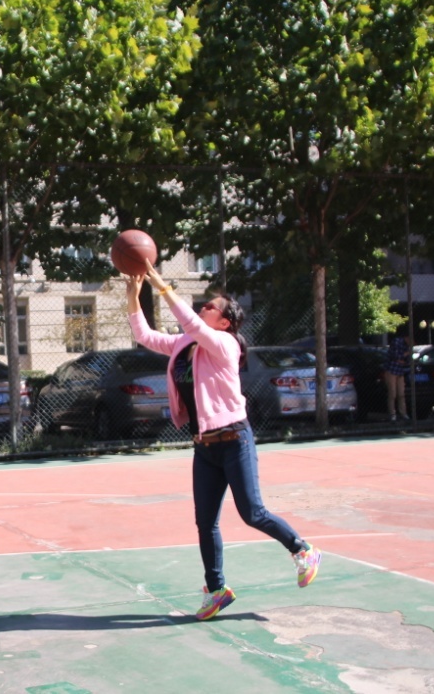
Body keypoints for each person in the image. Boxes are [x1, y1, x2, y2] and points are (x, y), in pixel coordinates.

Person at [126, 261, 321, 621]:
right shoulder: (185, 344)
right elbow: (146, 336)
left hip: (234, 440)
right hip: (204, 446)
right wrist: (133, 294)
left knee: (253, 513)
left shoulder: (225, 344)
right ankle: (216, 590)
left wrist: (161, 284)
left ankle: (302, 549)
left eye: (211, 307)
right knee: (205, 522)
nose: (204, 307)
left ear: (225, 322)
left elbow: (193, 324)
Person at [384, 329, 411, 422]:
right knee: (392, 394)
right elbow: (396, 356)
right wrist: (405, 354)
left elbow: (407, 360)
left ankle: (403, 413)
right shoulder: (397, 342)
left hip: (400, 371)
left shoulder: (407, 346)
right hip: (391, 370)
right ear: (407, 338)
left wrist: (403, 358)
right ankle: (392, 414)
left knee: (401, 394)